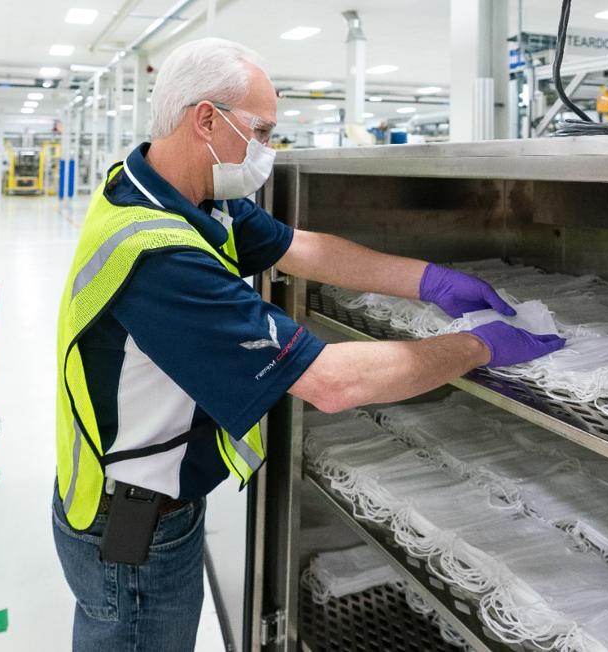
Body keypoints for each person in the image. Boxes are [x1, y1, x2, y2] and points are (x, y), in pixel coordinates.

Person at [51, 37, 564, 650]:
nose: (267, 150)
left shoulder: (179, 193)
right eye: (262, 131)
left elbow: (303, 248)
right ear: (207, 120)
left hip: (149, 504)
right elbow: (333, 382)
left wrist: (429, 280)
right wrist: (478, 347)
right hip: (133, 528)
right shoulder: (158, 255)